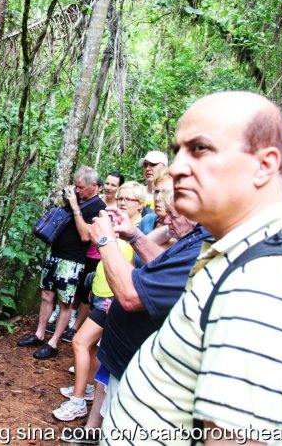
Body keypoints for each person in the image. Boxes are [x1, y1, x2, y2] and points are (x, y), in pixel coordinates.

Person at [101, 91, 282, 445]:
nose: (178, 167)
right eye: (178, 151)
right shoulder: (249, 248)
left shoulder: (267, 285)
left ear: (264, 165)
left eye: (200, 149)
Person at [62, 187, 210, 444]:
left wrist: (106, 241)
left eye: (173, 215)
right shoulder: (196, 236)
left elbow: (130, 296)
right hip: (124, 357)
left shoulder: (209, 246)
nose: (164, 220)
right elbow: (163, 267)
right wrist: (133, 235)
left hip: (143, 368)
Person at [52, 182, 145, 422]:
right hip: (101, 292)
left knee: (80, 343)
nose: (123, 202)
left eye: (130, 199)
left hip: (114, 298)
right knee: (92, 347)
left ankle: (78, 400)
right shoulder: (117, 224)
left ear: (141, 204)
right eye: (121, 197)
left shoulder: (139, 231)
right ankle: (89, 388)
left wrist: (112, 296)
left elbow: (133, 270)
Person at [18, 166, 106, 359]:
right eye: (76, 186)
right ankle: (39, 334)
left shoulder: (98, 207)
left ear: (94, 186)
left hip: (72, 260)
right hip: (55, 254)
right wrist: (70, 201)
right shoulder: (77, 200)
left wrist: (75, 207)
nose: (78, 190)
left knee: (64, 302)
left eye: (81, 187)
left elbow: (85, 236)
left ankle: (53, 342)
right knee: (46, 295)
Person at [59, 171, 126, 343]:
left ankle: (76, 327)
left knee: (88, 291)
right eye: (108, 183)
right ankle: (68, 319)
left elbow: (88, 233)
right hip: (83, 252)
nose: (110, 187)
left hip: (99, 254)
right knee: (78, 288)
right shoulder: (90, 199)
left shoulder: (116, 207)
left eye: (114, 185)